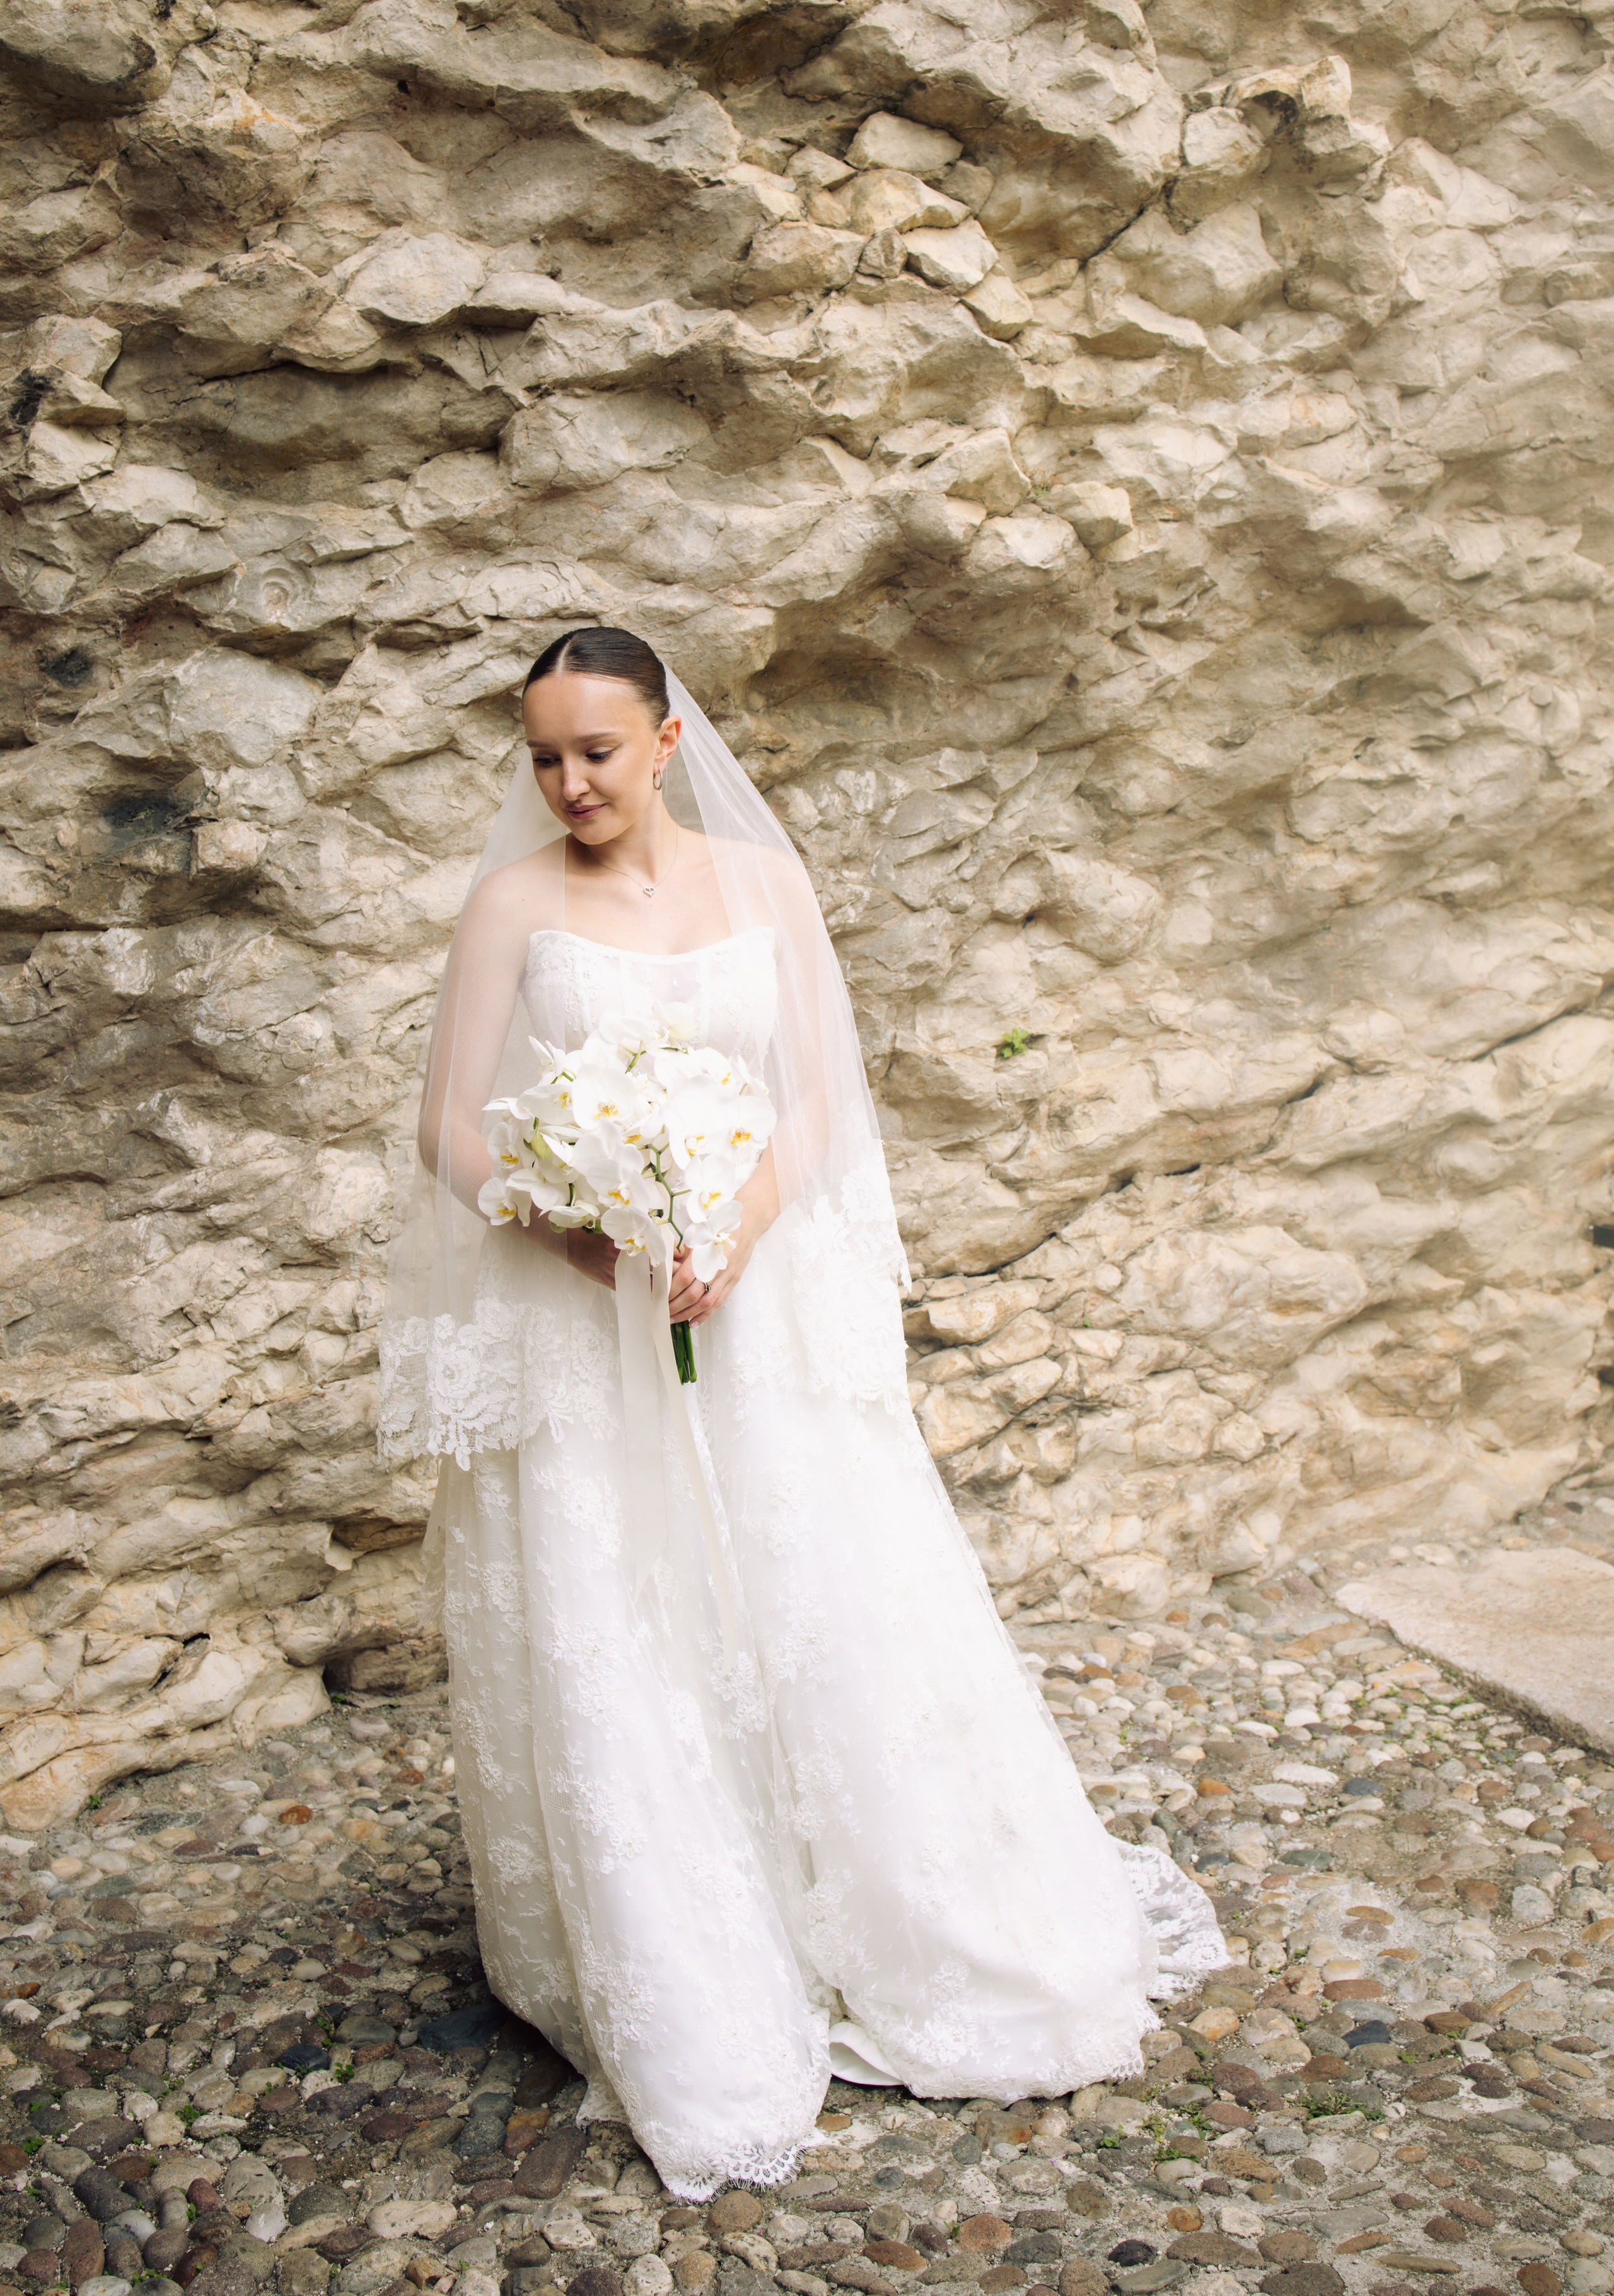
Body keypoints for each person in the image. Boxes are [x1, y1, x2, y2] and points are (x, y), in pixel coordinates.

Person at [379, 626, 1224, 2201]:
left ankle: (893, 1910)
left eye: (597, 752)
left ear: (669, 737)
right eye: (542, 756)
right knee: (620, 1607)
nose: (568, 783)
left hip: (741, 1301)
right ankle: (687, 1961)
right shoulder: (509, 905)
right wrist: (575, 1227)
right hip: (586, 1314)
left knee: (811, 1591)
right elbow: (447, 1120)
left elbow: (820, 1093)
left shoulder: (765, 888)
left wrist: (740, 1220)